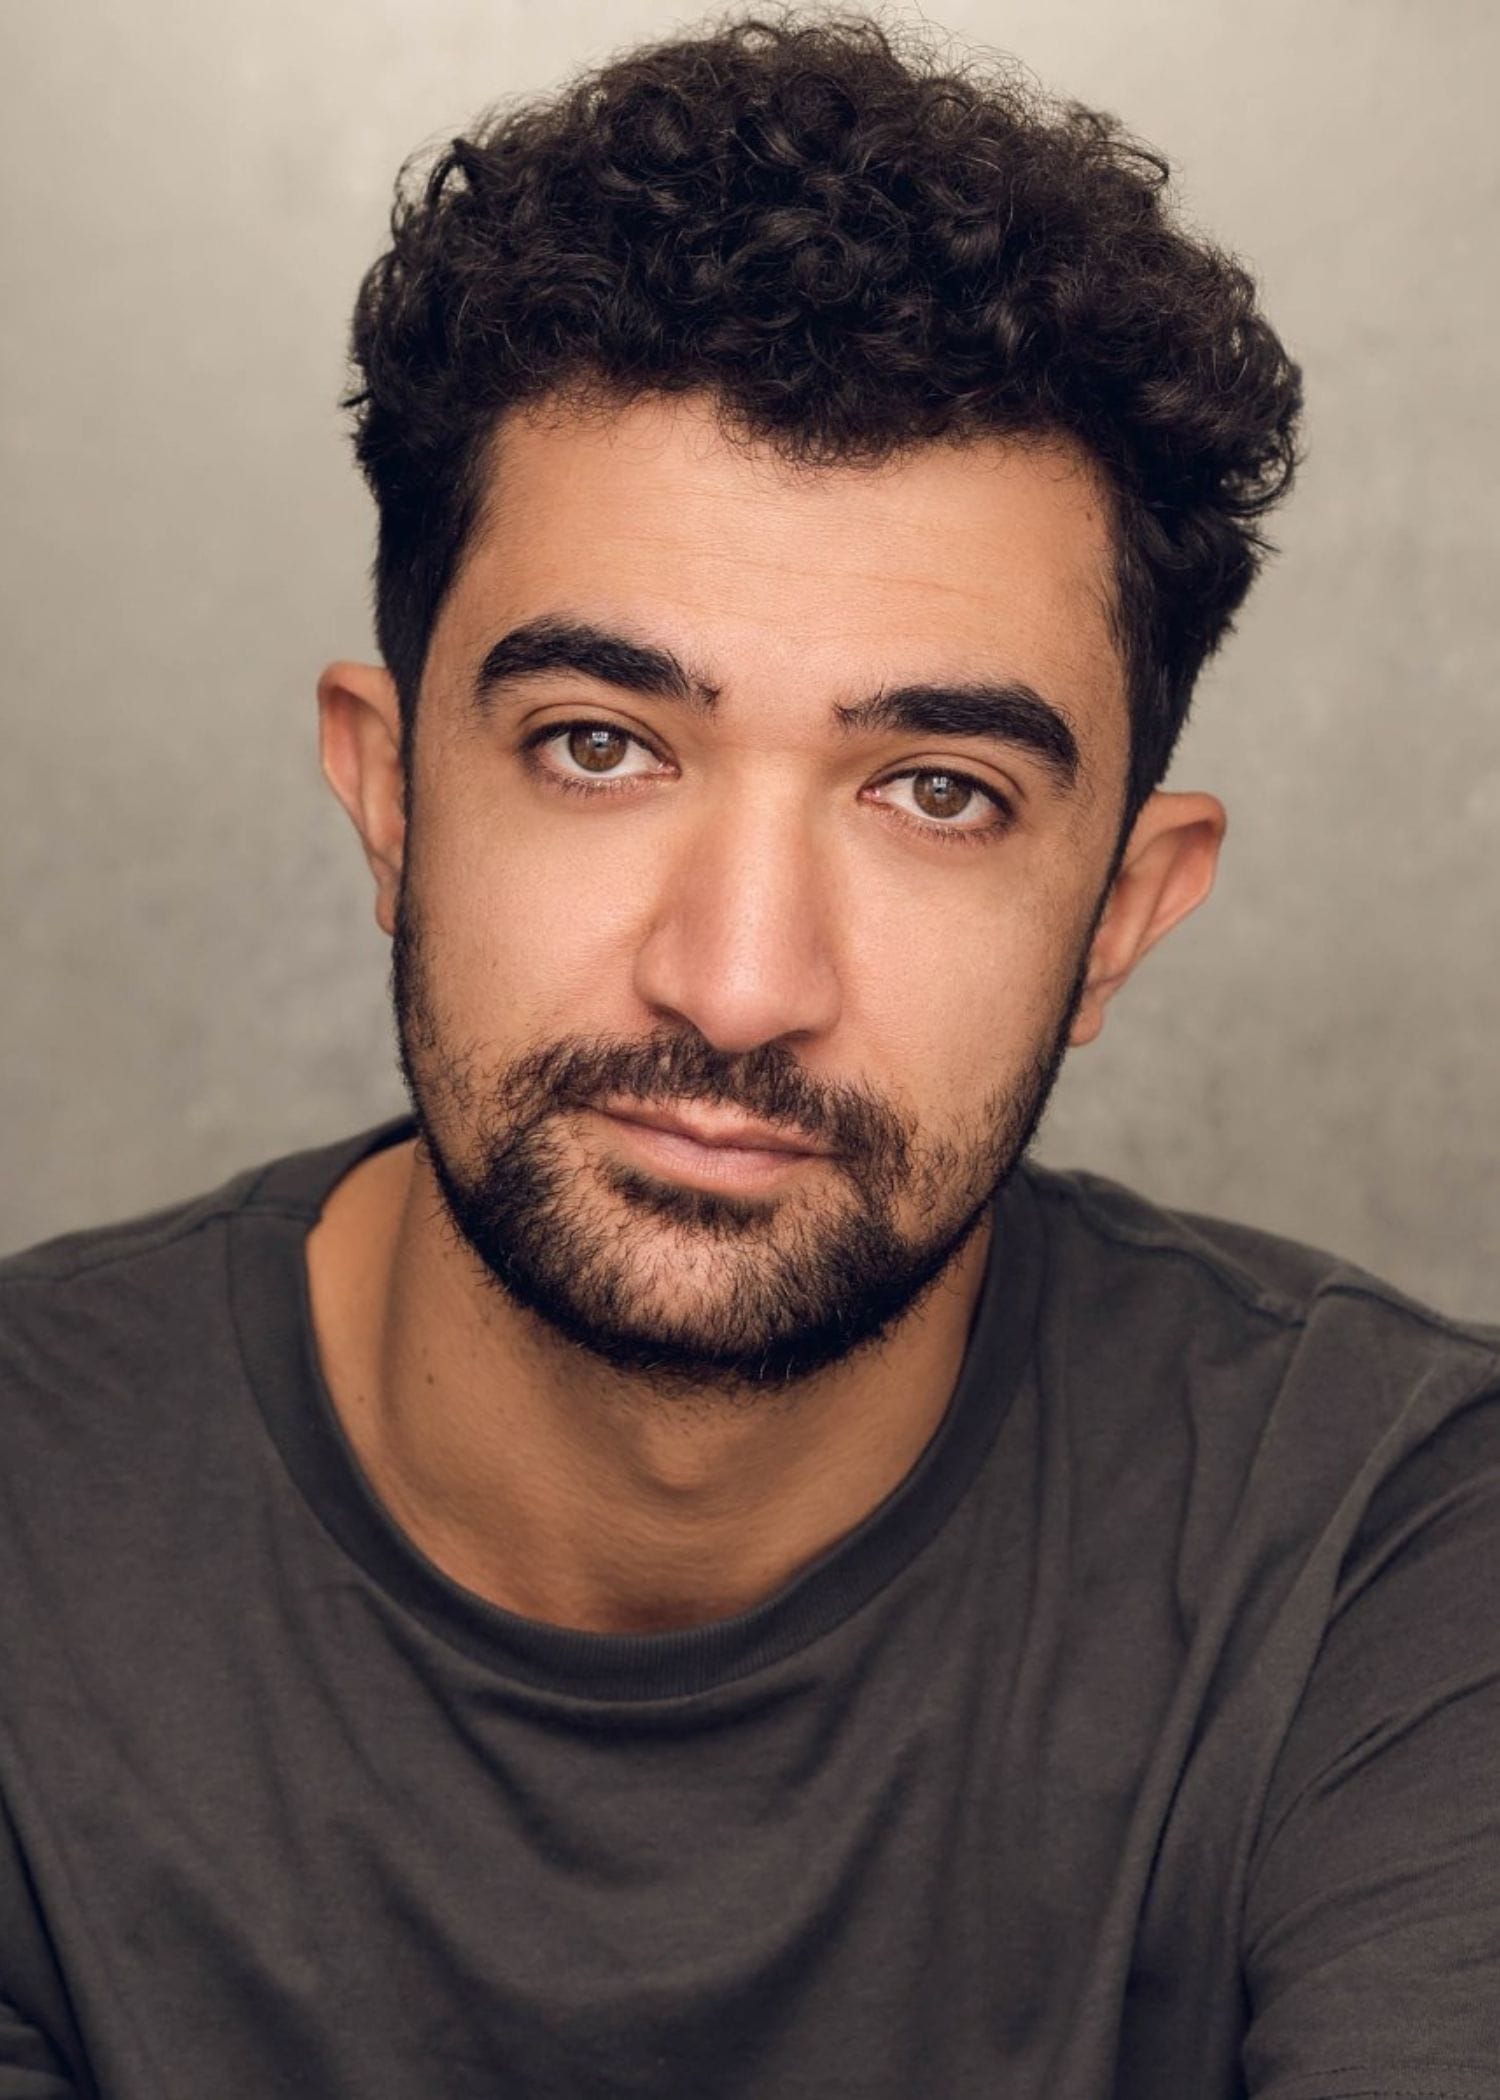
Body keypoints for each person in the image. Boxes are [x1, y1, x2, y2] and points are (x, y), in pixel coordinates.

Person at [1, 12, 1496, 2097]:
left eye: (939, 792)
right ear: (390, 798)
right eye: (599, 747)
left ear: (1122, 919)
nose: (738, 980)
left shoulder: (1405, 1563)